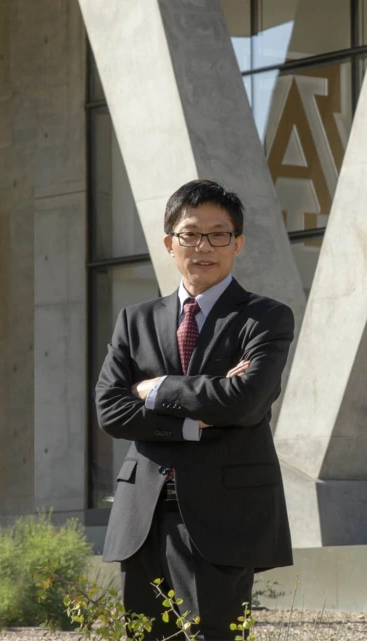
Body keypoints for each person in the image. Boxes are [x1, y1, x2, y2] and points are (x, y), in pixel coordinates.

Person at [94, 179, 295, 640]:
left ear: (237, 243)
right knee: (145, 634)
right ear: (170, 243)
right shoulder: (135, 320)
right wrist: (199, 413)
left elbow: (245, 401)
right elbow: (110, 410)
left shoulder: (265, 317)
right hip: (141, 513)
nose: (203, 246)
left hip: (222, 514)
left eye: (218, 234)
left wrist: (155, 388)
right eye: (190, 234)